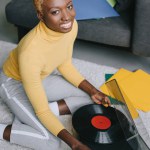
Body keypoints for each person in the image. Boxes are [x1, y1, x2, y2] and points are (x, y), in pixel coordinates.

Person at [0, 0, 110, 149]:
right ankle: (4, 128)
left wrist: (94, 91)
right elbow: (42, 111)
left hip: (39, 79)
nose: (67, 17)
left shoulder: (71, 26)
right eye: (55, 12)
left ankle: (29, 115)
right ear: (40, 15)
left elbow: (64, 64)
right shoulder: (30, 51)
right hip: (12, 82)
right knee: (52, 142)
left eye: (69, 7)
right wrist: (75, 144)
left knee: (89, 97)